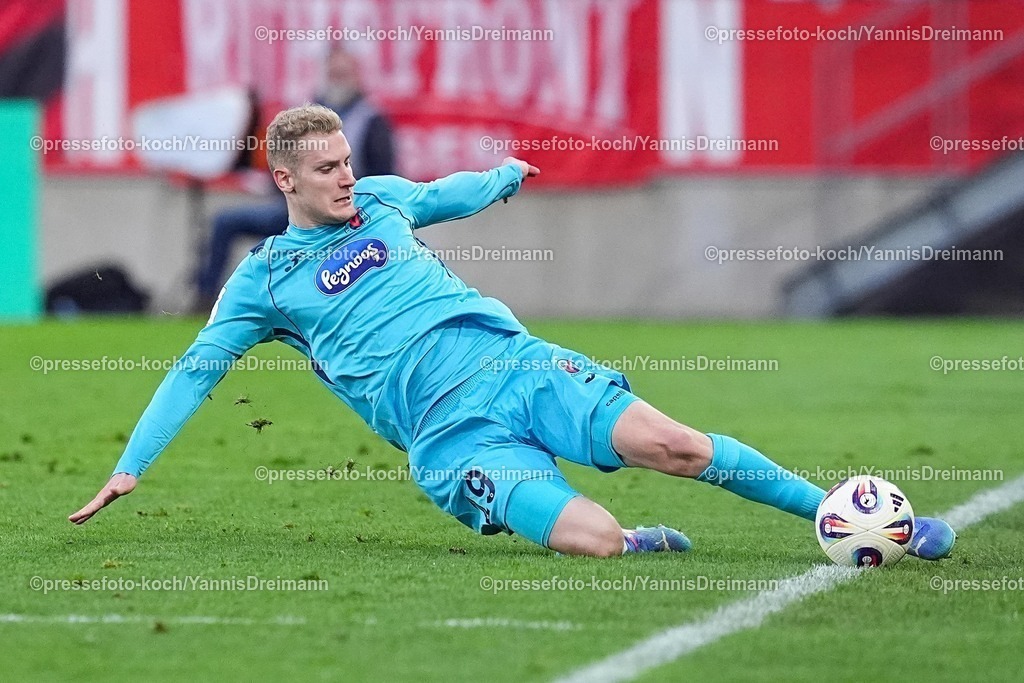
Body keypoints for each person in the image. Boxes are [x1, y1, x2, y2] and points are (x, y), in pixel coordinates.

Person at [70, 104, 957, 561]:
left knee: (676, 445)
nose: (348, 177)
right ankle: (631, 540)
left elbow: (442, 193)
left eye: (348, 161)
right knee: (596, 540)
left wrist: (499, 176)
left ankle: (851, 518)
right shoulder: (264, 280)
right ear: (284, 179)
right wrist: (131, 464)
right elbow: (195, 371)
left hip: (518, 365)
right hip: (450, 436)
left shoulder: (380, 201)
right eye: (328, 169)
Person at [195, 47, 394, 309]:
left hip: (348, 211)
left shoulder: (370, 120)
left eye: (343, 72)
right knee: (226, 222)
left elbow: (384, 176)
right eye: (333, 72)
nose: (337, 78)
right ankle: (207, 298)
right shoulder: (306, 119)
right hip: (300, 207)